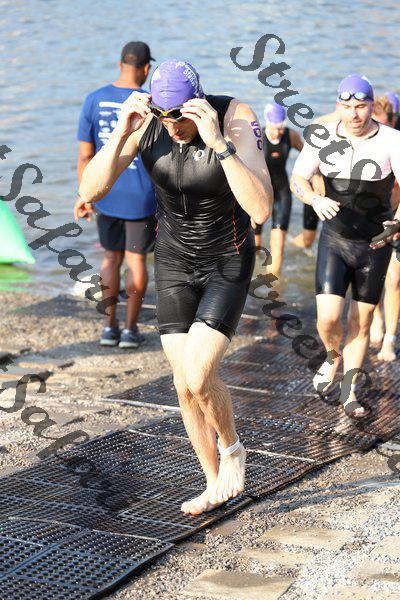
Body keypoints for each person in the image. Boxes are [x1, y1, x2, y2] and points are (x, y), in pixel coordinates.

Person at [75, 60, 273, 514]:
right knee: (184, 385)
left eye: (181, 116)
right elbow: (90, 189)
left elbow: (261, 208)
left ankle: (233, 451)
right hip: (173, 262)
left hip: (226, 259)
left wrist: (220, 145)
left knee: (200, 374)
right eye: (164, 117)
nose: (173, 127)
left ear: (198, 103)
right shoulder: (149, 123)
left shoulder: (235, 118)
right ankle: (212, 482)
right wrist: (121, 133)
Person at [291, 74, 400, 418]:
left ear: (371, 106)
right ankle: (332, 355)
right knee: (327, 319)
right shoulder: (322, 138)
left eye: (361, 106)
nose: (354, 114)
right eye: (347, 106)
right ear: (338, 106)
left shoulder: (392, 140)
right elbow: (297, 178)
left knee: (361, 322)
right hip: (335, 240)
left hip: (375, 245)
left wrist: (398, 221)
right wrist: (314, 198)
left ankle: (349, 391)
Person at [77, 41, 157, 348]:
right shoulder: (149, 103)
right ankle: (130, 330)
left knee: (110, 257)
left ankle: (108, 328)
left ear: (120, 64)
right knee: (136, 261)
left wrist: (84, 195)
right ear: (146, 68)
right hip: (141, 197)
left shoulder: (94, 99)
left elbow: (85, 156)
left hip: (106, 192)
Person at [252, 102, 302, 274]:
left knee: (278, 245)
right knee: (254, 246)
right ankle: (252, 282)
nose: (277, 132)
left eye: (280, 128)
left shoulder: (290, 135)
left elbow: (307, 156)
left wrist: (310, 178)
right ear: (267, 123)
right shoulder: (257, 137)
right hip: (259, 194)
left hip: (281, 193)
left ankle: (275, 284)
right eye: (274, 128)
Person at [368, 96, 400, 361]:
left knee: (393, 278)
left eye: (382, 125)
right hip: (373, 219)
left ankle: (390, 338)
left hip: (397, 219)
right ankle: (377, 317)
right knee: (373, 276)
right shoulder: (366, 144)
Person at [292, 110, 340, 250]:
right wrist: (317, 178)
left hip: (338, 192)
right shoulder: (321, 123)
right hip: (316, 188)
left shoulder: (360, 126)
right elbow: (308, 160)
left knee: (337, 236)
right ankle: (292, 247)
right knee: (308, 240)